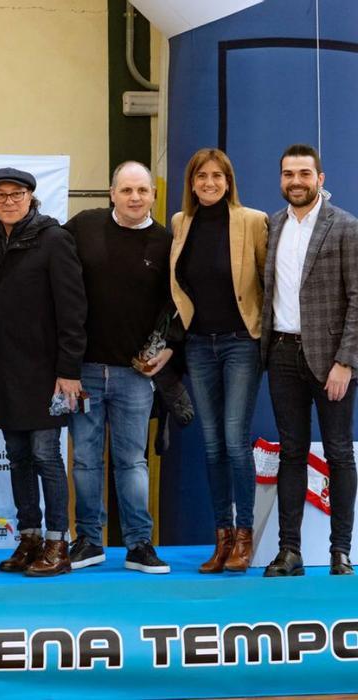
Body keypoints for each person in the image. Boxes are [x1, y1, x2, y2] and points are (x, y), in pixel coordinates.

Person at [0, 168, 86, 577]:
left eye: (16, 193)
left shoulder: (54, 239)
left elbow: (73, 310)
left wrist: (69, 370)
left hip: (47, 372)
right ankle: (30, 537)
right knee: (17, 456)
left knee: (45, 456)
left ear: (31, 197)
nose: (8, 200)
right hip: (4, 371)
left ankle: (59, 541)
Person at [65, 162, 173, 575]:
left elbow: (177, 305)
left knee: (133, 462)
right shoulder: (83, 227)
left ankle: (139, 544)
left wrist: (167, 351)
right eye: (126, 190)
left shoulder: (166, 242)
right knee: (86, 461)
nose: (134, 197)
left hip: (135, 375)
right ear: (111, 193)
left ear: (152, 195)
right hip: (84, 370)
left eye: (142, 191)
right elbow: (40, 247)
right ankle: (89, 541)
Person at [170, 148, 269, 574]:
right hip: (198, 345)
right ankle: (222, 539)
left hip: (240, 343)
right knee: (211, 447)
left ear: (229, 181)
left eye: (217, 176)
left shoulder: (252, 221)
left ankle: (244, 538)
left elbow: (270, 281)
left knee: (233, 440)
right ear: (191, 183)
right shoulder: (180, 223)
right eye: (201, 177)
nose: (209, 183)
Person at [261, 144, 358, 577]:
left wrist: (347, 362)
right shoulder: (274, 225)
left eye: (304, 173)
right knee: (292, 454)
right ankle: (290, 552)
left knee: (338, 452)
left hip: (331, 360)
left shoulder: (345, 227)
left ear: (320, 178)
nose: (295, 181)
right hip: (282, 353)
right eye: (288, 174)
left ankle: (341, 551)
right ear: (280, 180)